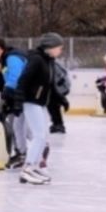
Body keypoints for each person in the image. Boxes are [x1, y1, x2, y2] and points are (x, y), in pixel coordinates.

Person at [16, 33, 65, 185]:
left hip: (40, 102)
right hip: (31, 101)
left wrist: (60, 98)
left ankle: (34, 166)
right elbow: (23, 79)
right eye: (59, 47)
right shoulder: (37, 59)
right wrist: (18, 101)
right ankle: (27, 168)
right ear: (50, 47)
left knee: (43, 136)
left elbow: (49, 85)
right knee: (38, 135)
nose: (61, 50)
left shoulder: (48, 61)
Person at [0, 38, 29, 169]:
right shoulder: (6, 59)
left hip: (27, 96)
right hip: (18, 96)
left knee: (23, 127)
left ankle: (33, 151)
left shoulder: (12, 58)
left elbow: (15, 78)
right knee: (15, 125)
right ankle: (20, 152)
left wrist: (4, 97)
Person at [47, 57, 70, 134]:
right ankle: (57, 123)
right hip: (59, 88)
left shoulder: (52, 65)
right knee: (52, 106)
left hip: (59, 88)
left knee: (53, 106)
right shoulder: (53, 63)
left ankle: (59, 124)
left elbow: (54, 77)